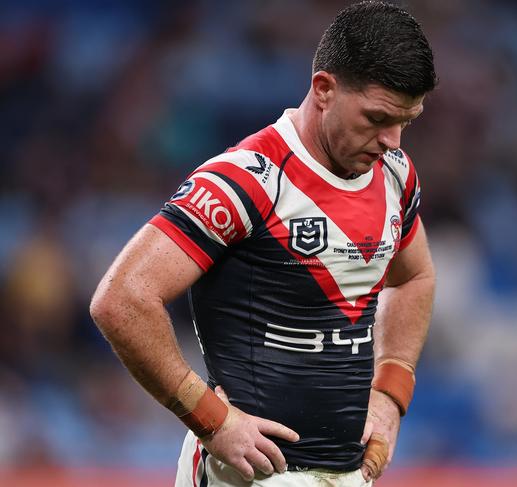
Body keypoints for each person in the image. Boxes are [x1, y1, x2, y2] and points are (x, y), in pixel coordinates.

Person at [90, 2, 437, 486]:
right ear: (324, 89)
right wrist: (211, 418)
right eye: (377, 118)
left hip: (349, 474)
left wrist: (390, 393)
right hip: (248, 476)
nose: (392, 140)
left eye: (407, 120)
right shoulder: (248, 180)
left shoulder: (395, 175)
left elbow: (416, 277)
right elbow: (122, 299)